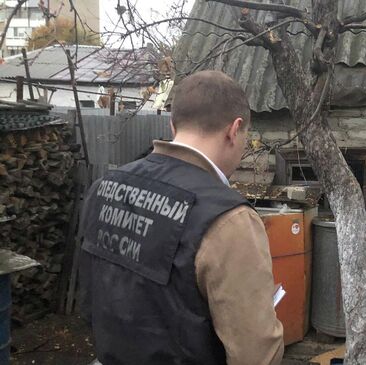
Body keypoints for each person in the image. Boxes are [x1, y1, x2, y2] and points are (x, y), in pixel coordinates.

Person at [79, 70, 284, 365]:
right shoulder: (229, 220)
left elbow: (92, 300)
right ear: (234, 130)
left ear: (174, 126)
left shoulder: (104, 188)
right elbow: (256, 356)